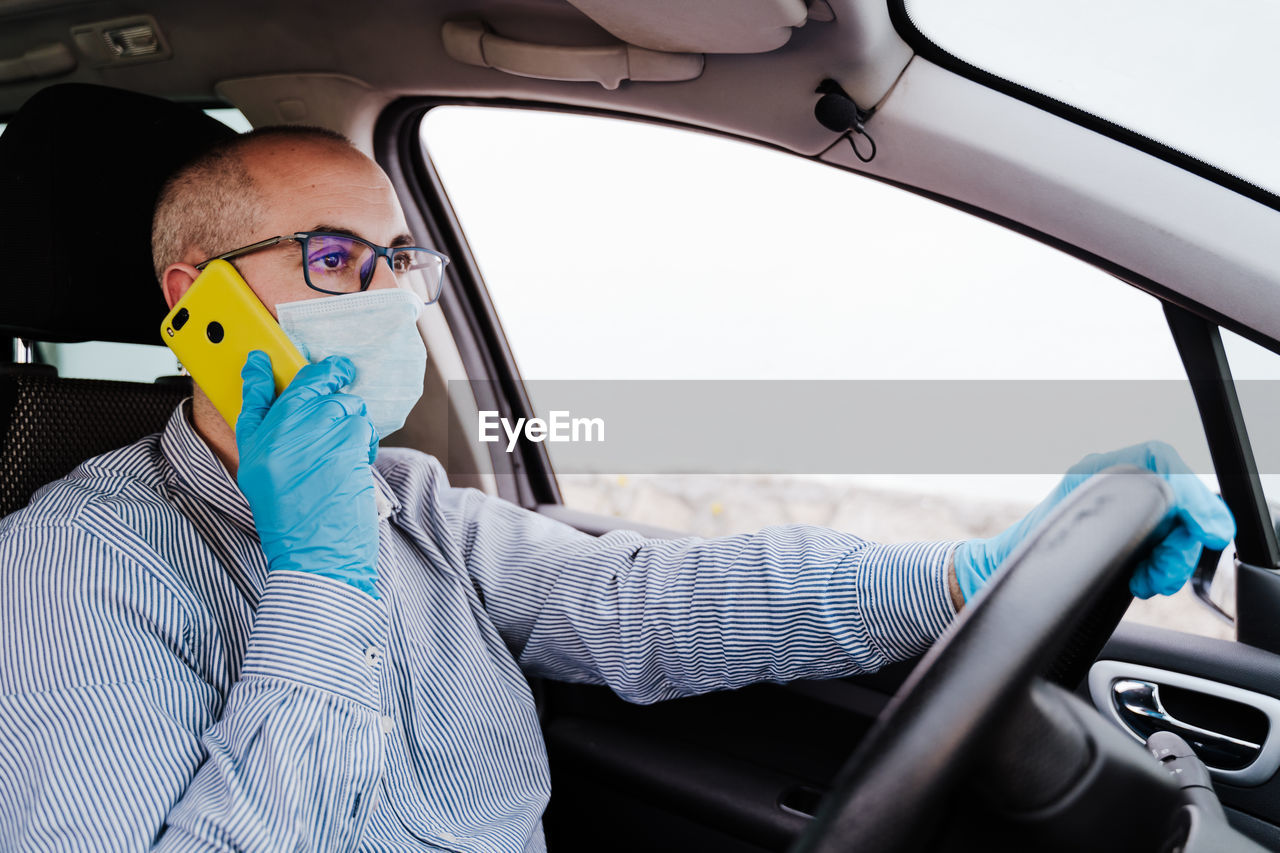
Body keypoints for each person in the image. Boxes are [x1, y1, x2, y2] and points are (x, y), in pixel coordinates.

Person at [0, 126, 1234, 851]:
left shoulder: (412, 498)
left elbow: (647, 601)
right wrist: (320, 582)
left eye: (398, 260)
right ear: (193, 302)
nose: (386, 298)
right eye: (333, 259)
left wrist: (970, 571)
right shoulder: (72, 565)